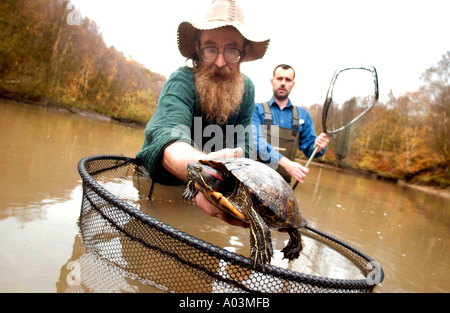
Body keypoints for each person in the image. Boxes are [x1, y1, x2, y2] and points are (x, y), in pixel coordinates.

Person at [136, 0, 270, 227]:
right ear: (198, 49)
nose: (220, 61)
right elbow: (166, 134)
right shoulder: (181, 81)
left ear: (244, 53)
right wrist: (201, 172)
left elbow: (244, 145)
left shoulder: (247, 90)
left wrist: (218, 184)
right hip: (163, 186)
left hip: (211, 189)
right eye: (210, 48)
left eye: (231, 50)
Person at [252, 64, 329, 184]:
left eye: (288, 80)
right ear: (272, 81)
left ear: (292, 84)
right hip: (253, 180)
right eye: (279, 78)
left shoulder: (303, 115)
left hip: (283, 185)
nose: (283, 83)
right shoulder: (257, 110)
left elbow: (310, 149)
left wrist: (318, 147)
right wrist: (284, 162)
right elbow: (254, 141)